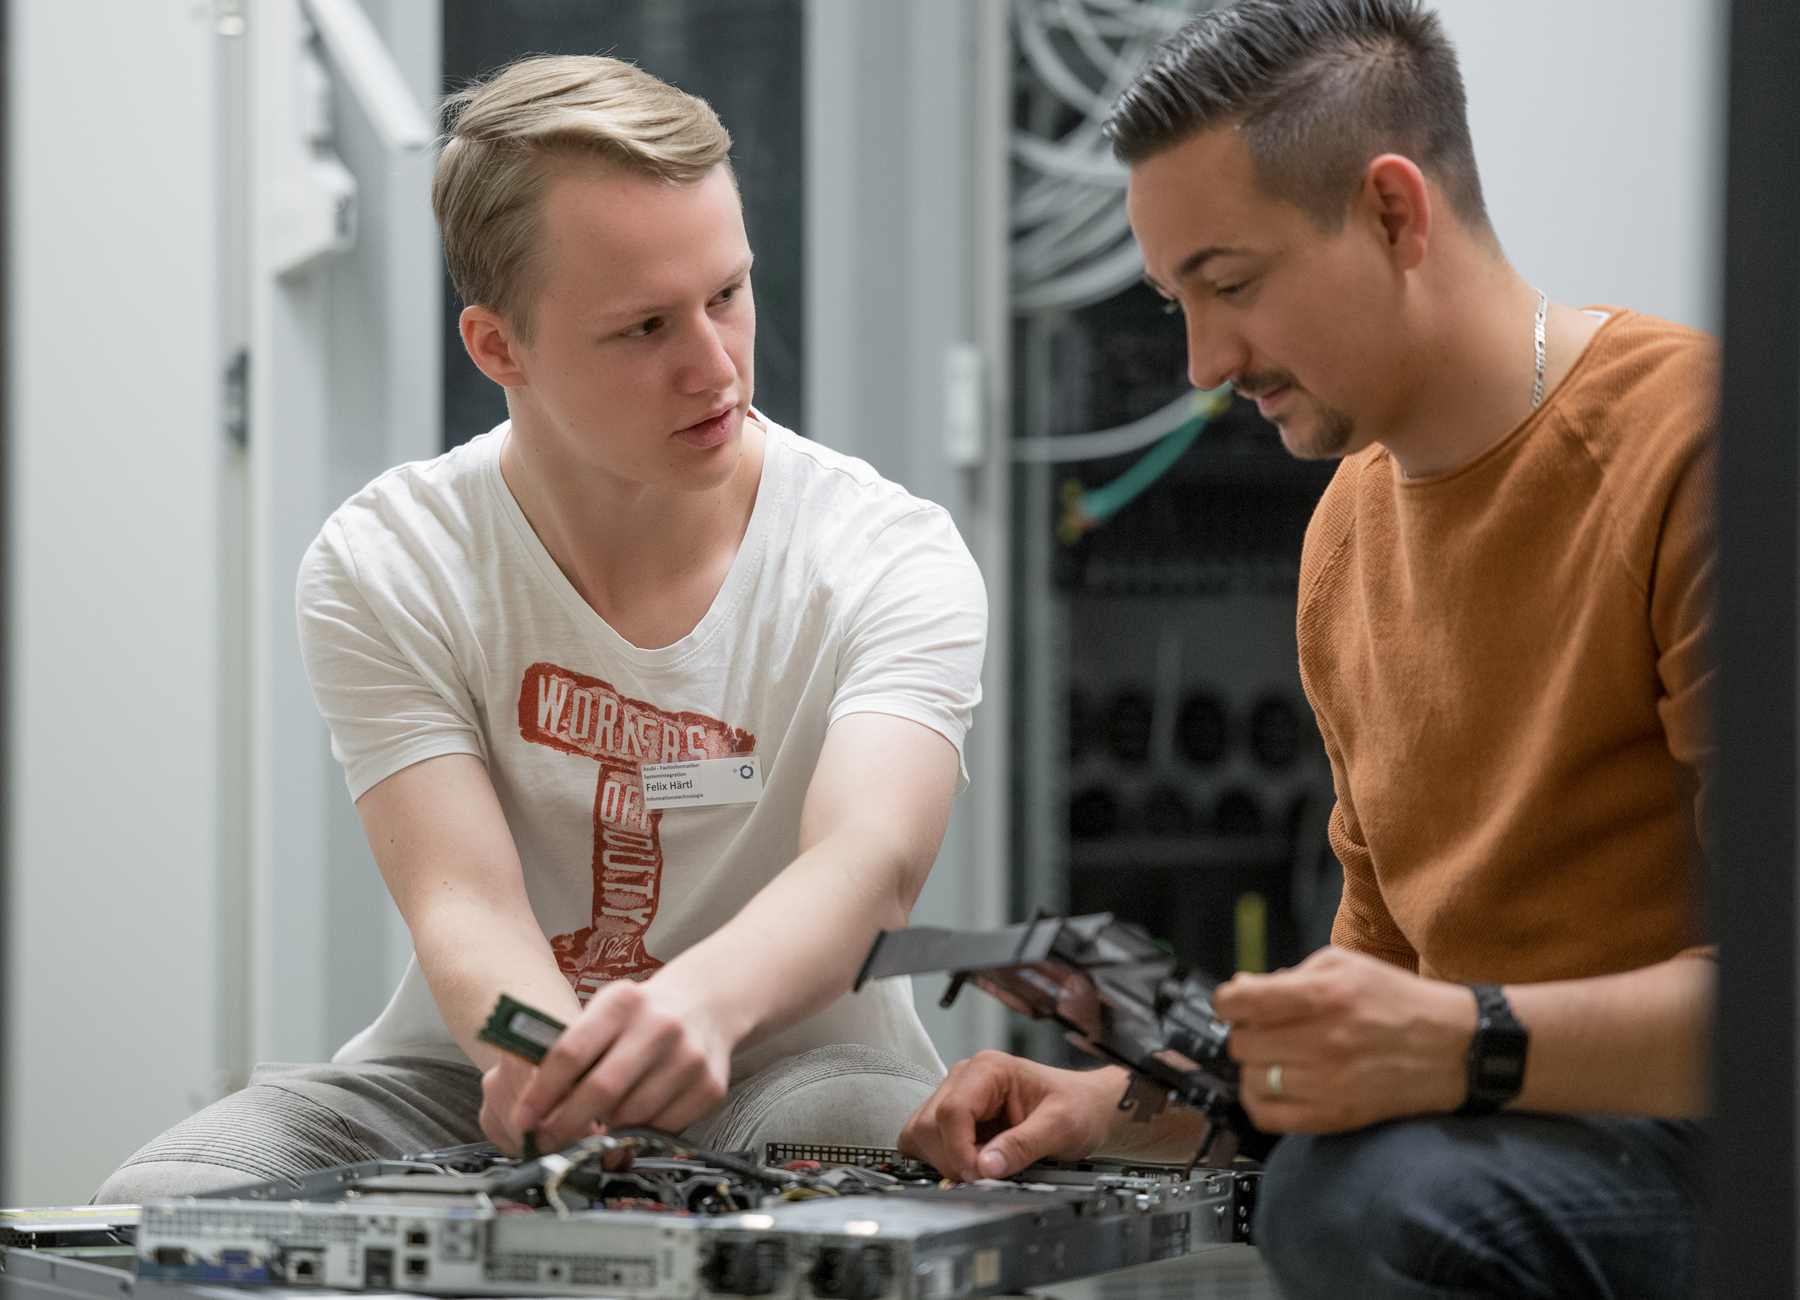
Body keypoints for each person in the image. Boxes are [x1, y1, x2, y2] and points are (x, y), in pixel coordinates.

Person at [898, 2, 1713, 1296]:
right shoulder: (1347, 535)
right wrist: (1118, 1104)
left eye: (1231, 286)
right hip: (1507, 1130)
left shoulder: (1694, 452)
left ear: (1396, 214)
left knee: (1360, 1197)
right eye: (1175, 303)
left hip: (1717, 1144)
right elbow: (1376, 1009)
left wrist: (1462, 1045)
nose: (1207, 362)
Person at [96, 55, 985, 1200]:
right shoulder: (390, 561)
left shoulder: (887, 555)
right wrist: (543, 1052)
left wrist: (696, 1012)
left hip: (801, 1065)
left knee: (855, 1144)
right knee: (159, 1203)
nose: (715, 367)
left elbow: (870, 861)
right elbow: (462, 899)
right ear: (496, 347)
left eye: (728, 292)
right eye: (645, 327)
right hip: (478, 1070)